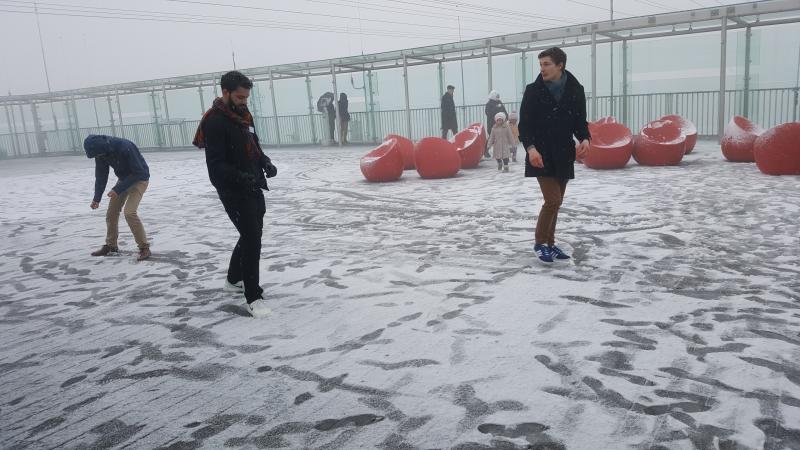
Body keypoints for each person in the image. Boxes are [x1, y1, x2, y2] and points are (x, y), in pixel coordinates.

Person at [193, 70, 277, 319]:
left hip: (253, 184)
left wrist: (265, 162)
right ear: (225, 92)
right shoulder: (215, 121)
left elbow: (255, 145)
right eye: (240, 97)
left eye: (246, 97)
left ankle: (232, 279)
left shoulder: (243, 116)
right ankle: (253, 296)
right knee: (252, 238)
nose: (244, 102)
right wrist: (240, 176)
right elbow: (216, 164)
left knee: (252, 233)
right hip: (232, 190)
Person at [518, 47, 591, 264]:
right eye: (540, 64)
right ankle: (540, 242)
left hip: (564, 153)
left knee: (556, 202)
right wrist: (530, 149)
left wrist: (585, 139)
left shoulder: (576, 89)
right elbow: (525, 125)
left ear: (560, 65)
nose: (542, 69)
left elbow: (580, 121)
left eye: (547, 64)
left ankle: (550, 243)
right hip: (541, 153)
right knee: (552, 200)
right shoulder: (533, 91)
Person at [85, 134, 151, 261]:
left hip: (140, 179)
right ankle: (111, 246)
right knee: (111, 213)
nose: (98, 157)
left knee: (129, 213)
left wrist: (117, 189)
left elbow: (139, 172)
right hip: (123, 180)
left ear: (102, 148)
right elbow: (101, 176)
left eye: (97, 155)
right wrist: (96, 198)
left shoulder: (124, 146)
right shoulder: (101, 153)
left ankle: (144, 248)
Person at [484, 90, 507, 157]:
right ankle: (485, 150)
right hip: (492, 125)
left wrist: (506, 117)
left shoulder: (499, 102)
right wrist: (496, 108)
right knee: (492, 138)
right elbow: (488, 113)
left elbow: (504, 110)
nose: (498, 97)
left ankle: (501, 151)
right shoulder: (488, 104)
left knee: (499, 138)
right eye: (497, 96)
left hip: (501, 124)